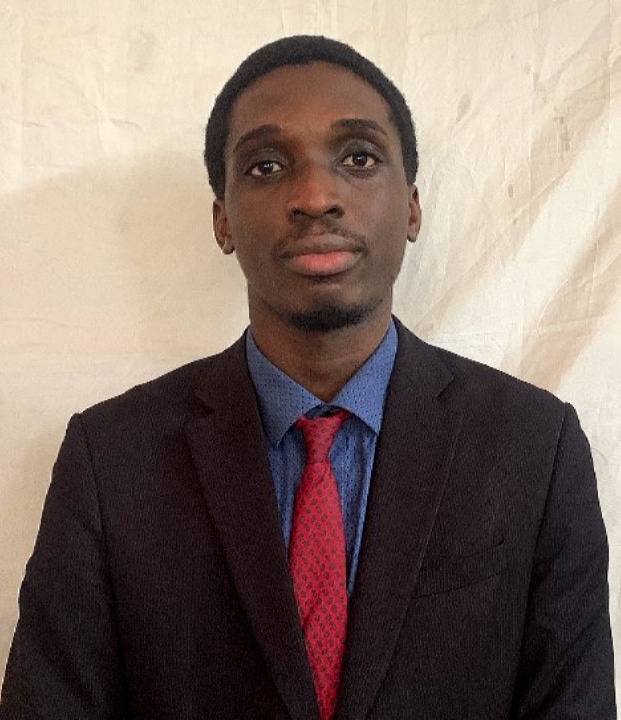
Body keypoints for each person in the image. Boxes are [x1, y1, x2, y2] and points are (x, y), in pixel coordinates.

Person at [0, 35, 615, 720]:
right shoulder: (112, 458)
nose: (317, 197)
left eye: (358, 158)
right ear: (222, 221)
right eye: (266, 166)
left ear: (412, 206)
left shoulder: (533, 447)